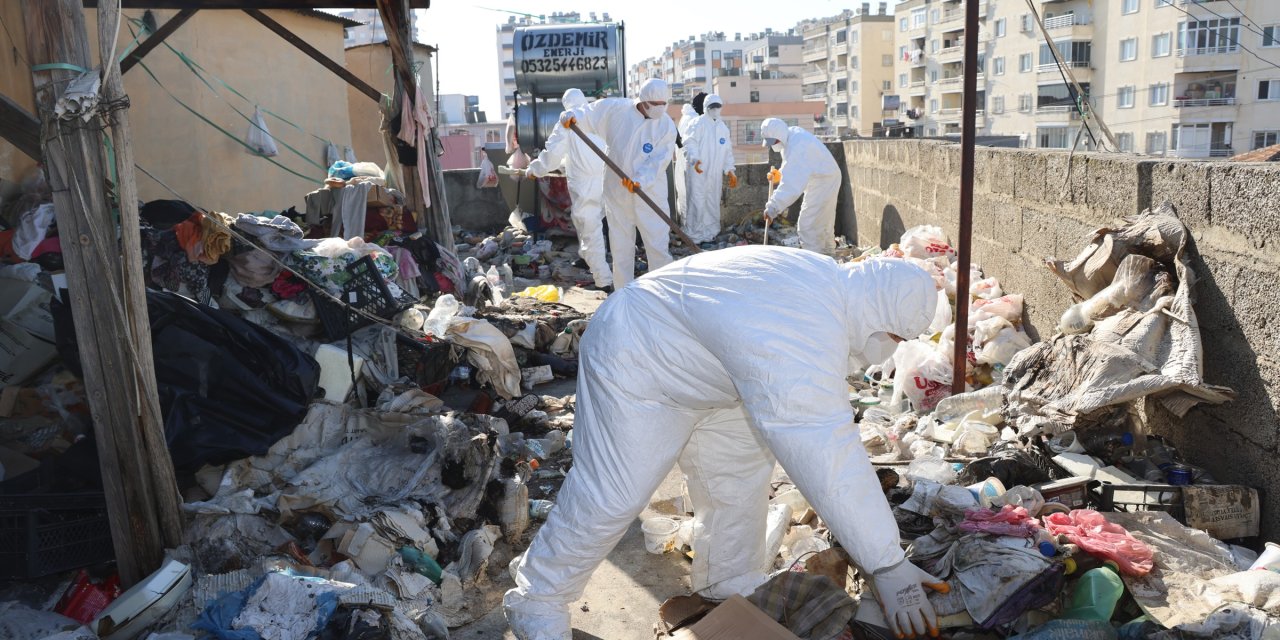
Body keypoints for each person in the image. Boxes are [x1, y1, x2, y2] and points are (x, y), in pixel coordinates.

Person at [504, 245, 946, 640]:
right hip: (637, 353)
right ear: (879, 314)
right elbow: (825, 449)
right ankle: (537, 597)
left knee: (737, 479)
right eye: (895, 338)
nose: (891, 350)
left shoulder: (827, 286)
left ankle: (727, 581)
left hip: (712, 369)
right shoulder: (804, 322)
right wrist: (886, 563)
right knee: (613, 493)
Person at [559, 78, 676, 289]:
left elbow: (660, 160)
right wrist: (571, 115)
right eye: (655, 104)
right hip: (617, 191)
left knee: (657, 246)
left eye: (663, 104)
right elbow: (589, 113)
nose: (660, 109)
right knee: (621, 247)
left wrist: (641, 180)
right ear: (643, 101)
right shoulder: (616, 110)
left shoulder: (666, 125)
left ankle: (662, 295)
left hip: (649, 194)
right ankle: (624, 296)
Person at [524, 88, 613, 291]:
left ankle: (603, 280)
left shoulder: (567, 121)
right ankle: (586, 258)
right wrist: (566, 165)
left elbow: (553, 154)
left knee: (589, 228)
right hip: (607, 178)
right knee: (591, 222)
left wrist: (535, 170)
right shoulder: (595, 115)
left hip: (585, 184)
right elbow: (580, 151)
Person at [761, 117, 842, 255]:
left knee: (807, 225)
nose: (770, 144)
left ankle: (815, 263)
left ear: (778, 136)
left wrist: (773, 207)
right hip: (824, 177)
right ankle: (829, 257)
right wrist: (780, 174)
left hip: (823, 181)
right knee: (823, 223)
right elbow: (793, 167)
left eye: (771, 141)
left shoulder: (796, 144)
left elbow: (791, 185)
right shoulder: (791, 136)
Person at [681, 94, 738, 244]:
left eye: (718, 107)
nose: (715, 110)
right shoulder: (697, 124)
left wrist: (730, 170)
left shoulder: (722, 128)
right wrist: (694, 160)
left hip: (714, 173)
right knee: (697, 201)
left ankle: (712, 232)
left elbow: (727, 151)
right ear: (706, 108)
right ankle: (694, 234)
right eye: (712, 107)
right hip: (698, 172)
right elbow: (689, 143)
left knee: (713, 201)